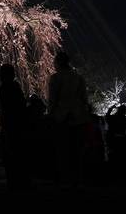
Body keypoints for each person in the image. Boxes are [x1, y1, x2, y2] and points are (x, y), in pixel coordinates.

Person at [47, 52, 89, 186]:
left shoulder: (56, 78)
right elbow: (84, 98)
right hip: (78, 117)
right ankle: (78, 178)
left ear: (58, 63)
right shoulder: (78, 77)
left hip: (61, 117)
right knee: (77, 151)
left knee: (63, 151)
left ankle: (65, 179)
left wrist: (51, 114)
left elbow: (53, 100)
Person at [0, 64, 30, 189]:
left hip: (11, 125)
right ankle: (21, 180)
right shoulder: (16, 87)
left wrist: (3, 117)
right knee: (17, 153)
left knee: (11, 153)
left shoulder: (5, 88)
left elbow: (6, 107)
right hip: (17, 125)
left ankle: (14, 181)